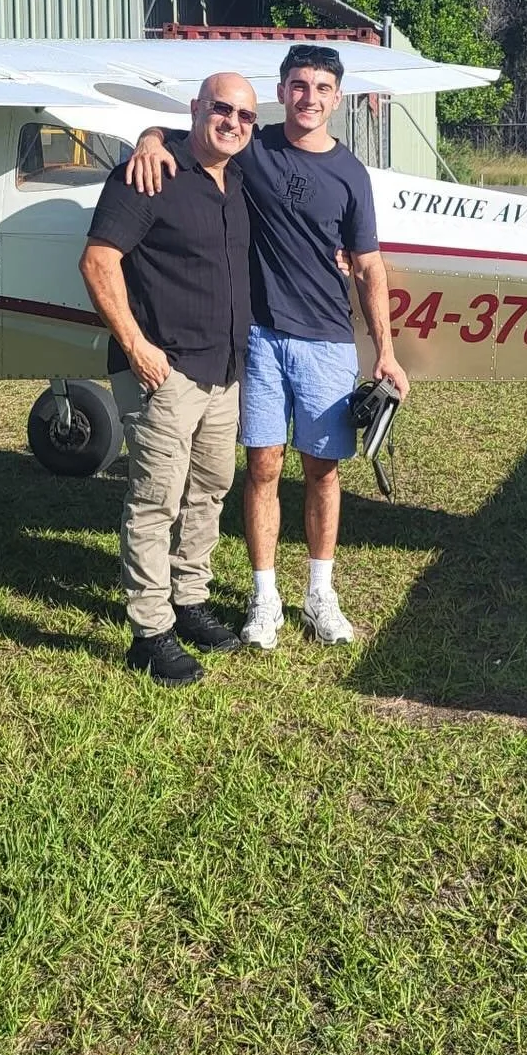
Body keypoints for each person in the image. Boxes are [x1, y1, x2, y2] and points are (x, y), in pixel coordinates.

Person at [126, 42, 408, 650]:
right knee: (262, 467)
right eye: (299, 86)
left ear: (338, 98)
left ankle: (321, 592)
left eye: (322, 88)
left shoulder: (351, 174)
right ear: (282, 92)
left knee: (323, 471)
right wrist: (148, 139)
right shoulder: (251, 144)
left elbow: (368, 265)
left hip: (327, 340)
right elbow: (188, 134)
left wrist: (385, 351)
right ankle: (264, 597)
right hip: (257, 338)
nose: (310, 98)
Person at [80, 73, 258, 686]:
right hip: (165, 371)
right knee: (156, 499)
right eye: (221, 109)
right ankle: (150, 631)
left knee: (209, 490)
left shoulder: (238, 176)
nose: (233, 122)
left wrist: (151, 131)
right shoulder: (148, 174)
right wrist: (136, 345)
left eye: (245, 115)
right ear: (196, 109)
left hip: (224, 370)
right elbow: (97, 262)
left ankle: (189, 600)